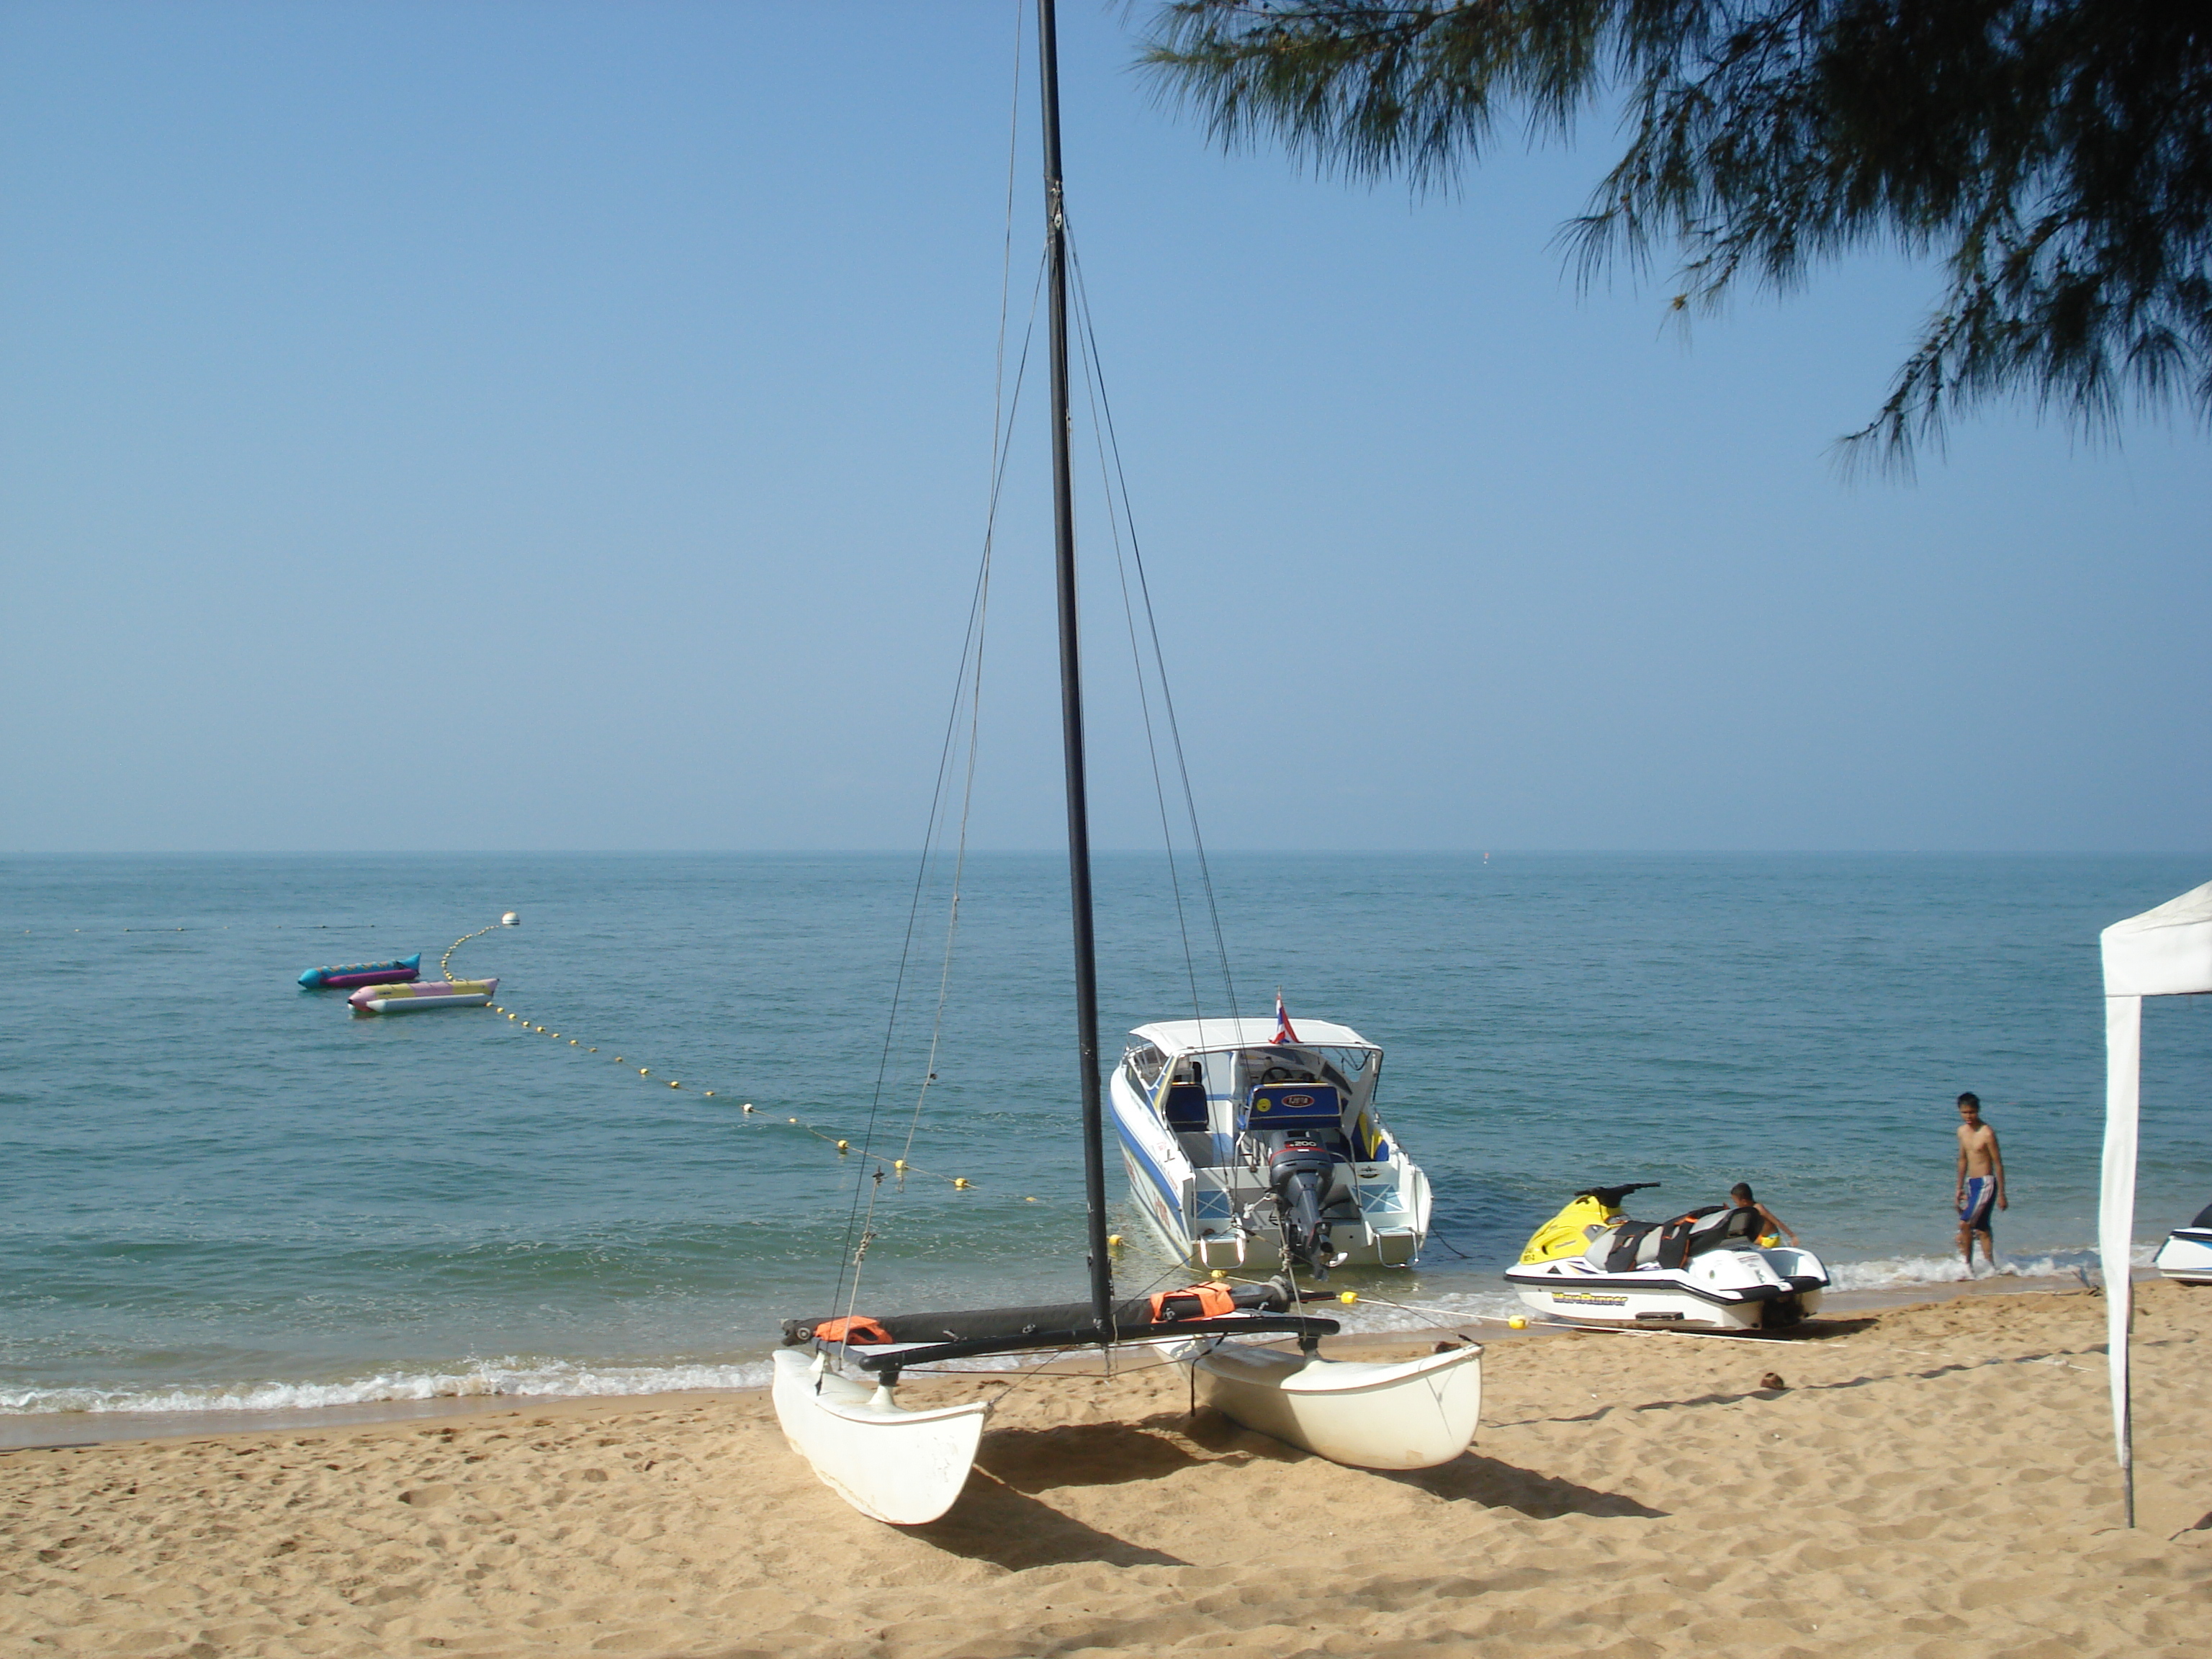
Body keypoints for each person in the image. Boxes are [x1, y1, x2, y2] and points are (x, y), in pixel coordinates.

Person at [1954, 1092, 2006, 1270]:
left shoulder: (1987, 1133)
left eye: (1972, 1112)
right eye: (1965, 1113)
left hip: (1987, 1183)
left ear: (1978, 1111)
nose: (1969, 1116)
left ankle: (1966, 1267)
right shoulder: (1962, 1132)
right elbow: (1962, 1160)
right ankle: (1992, 1268)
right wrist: (1959, 1188)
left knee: (1965, 1223)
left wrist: (2002, 1195)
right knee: (1982, 1228)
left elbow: (1998, 1164)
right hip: (1972, 1183)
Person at [1728, 1183, 1798, 1246]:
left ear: (1744, 1202)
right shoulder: (1748, 1210)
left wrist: (1792, 1236)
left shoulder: (1759, 1208)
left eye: (1736, 1202)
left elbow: (1777, 1222)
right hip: (1763, 1238)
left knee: (1758, 1253)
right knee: (1744, 1242)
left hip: (1772, 1238)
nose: (1735, 1204)